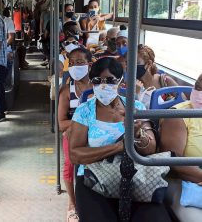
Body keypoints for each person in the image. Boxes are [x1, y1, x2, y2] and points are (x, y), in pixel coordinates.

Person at [69, 57, 172, 222]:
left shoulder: (135, 108)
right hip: (94, 178)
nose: (103, 85)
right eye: (97, 80)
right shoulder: (84, 111)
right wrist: (119, 147)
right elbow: (75, 154)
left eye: (110, 80)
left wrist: (137, 134)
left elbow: (150, 149)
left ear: (120, 81)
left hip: (136, 176)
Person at [160, 73, 202, 221]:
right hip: (182, 182)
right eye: (198, 88)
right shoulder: (179, 115)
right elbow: (173, 161)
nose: (200, 96)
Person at [58, 47, 93, 222]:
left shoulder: (99, 87)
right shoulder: (66, 91)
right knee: (70, 163)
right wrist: (81, 124)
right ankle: (72, 204)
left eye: (80, 62)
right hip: (72, 133)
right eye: (71, 63)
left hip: (96, 131)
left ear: (89, 64)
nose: (75, 66)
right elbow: (62, 123)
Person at [135, 44, 179, 109]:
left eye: (136, 62)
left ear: (149, 64)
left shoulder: (165, 81)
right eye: (129, 63)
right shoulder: (132, 85)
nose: (131, 66)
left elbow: (184, 105)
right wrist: (135, 95)